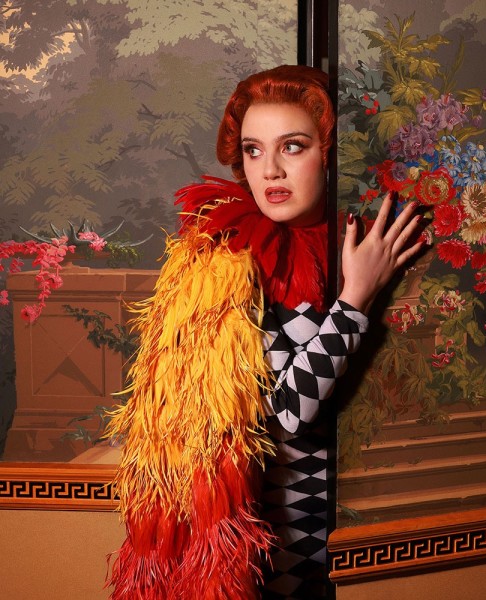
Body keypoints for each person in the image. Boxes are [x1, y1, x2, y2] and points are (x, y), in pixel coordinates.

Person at [106, 65, 423, 600]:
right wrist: (355, 300)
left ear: (331, 154)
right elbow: (290, 413)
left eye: (292, 147)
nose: (270, 170)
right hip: (272, 542)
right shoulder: (236, 259)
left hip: (359, 526)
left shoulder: (350, 242)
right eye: (253, 151)